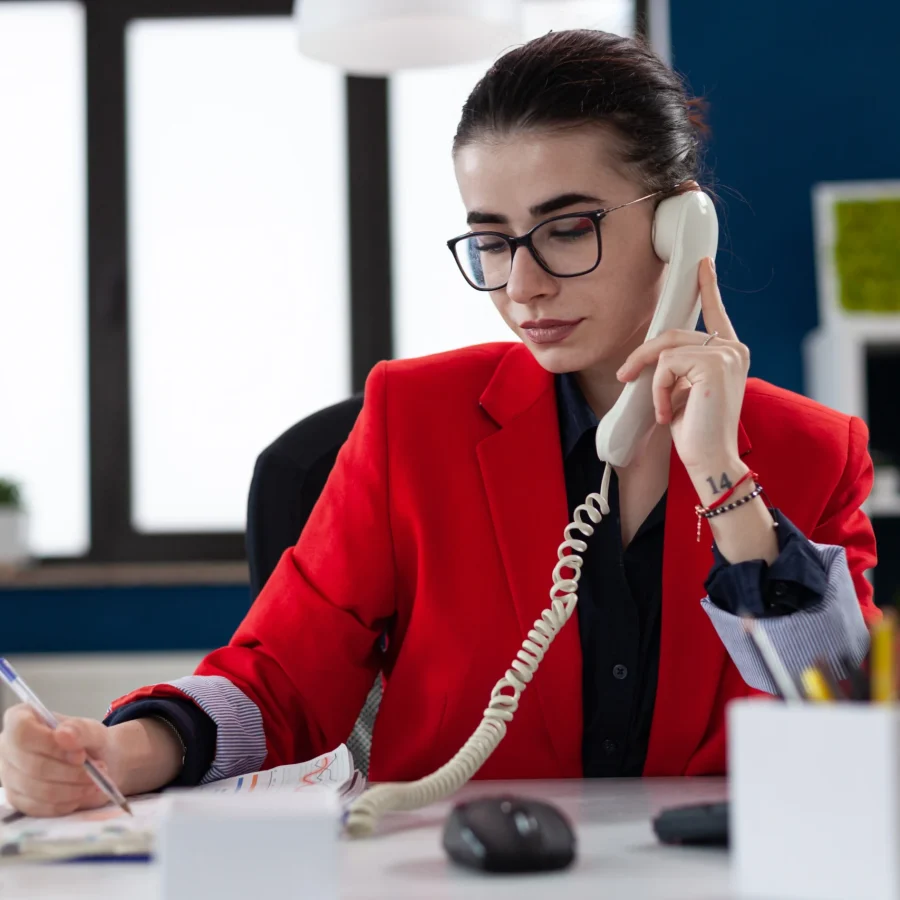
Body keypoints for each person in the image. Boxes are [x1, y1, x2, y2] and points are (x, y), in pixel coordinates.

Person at [0, 29, 877, 818]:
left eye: (566, 229)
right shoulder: (412, 421)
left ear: (683, 224)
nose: (521, 286)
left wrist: (724, 481)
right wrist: (122, 750)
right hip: (450, 874)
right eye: (492, 241)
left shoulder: (811, 451)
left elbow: (842, 720)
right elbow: (279, 681)